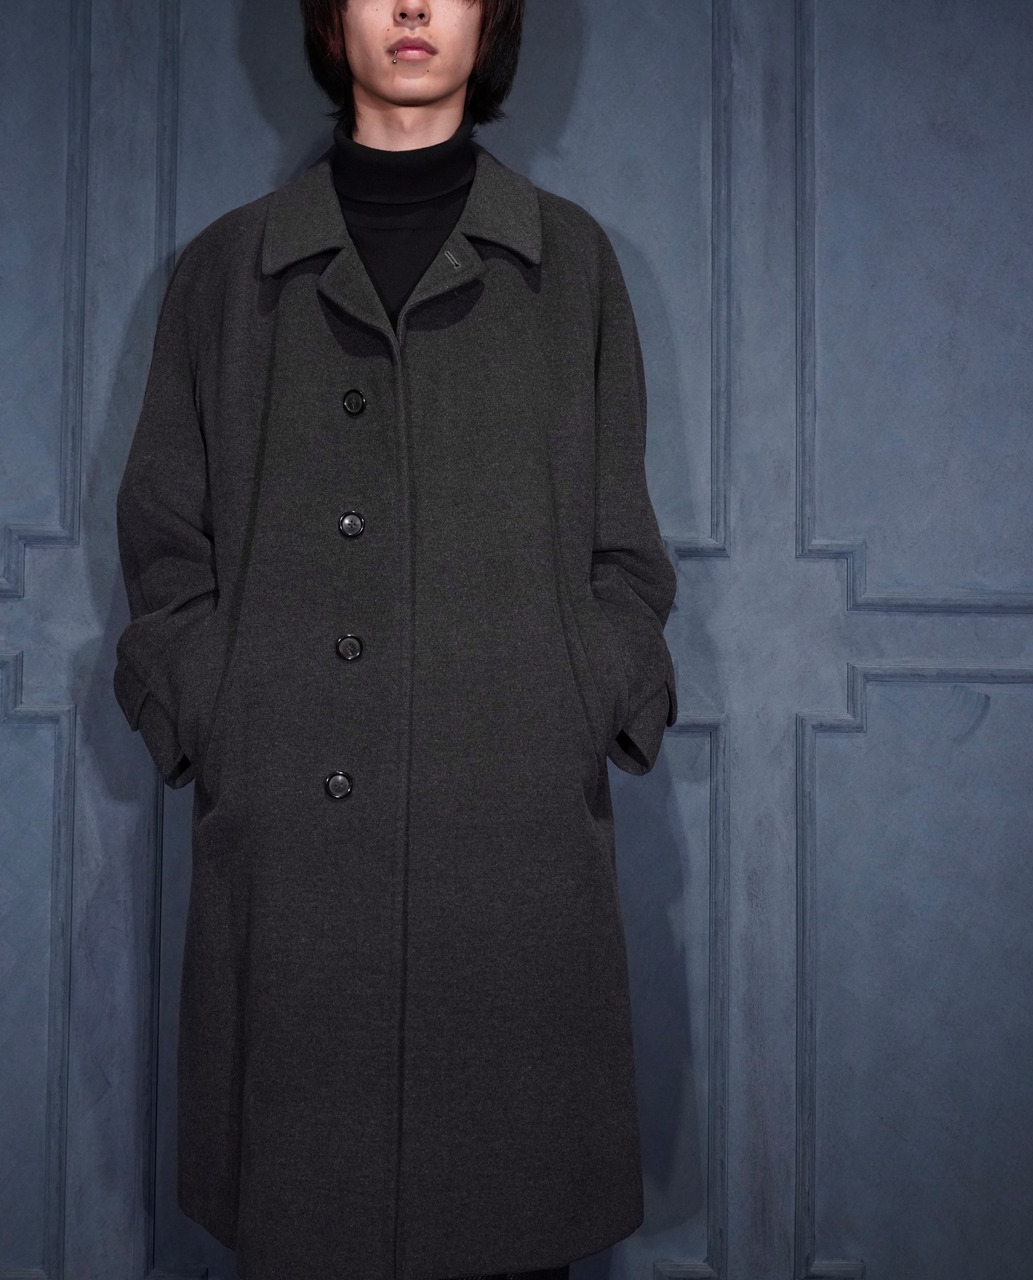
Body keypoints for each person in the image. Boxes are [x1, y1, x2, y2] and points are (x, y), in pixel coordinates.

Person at [112, 1, 679, 1277]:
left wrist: (578, 696)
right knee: (304, 1221)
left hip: (514, 851)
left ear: (492, 20)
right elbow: (162, 547)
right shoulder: (225, 272)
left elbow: (625, 555)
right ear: (330, 18)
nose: (413, 6)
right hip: (291, 866)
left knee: (511, 1231)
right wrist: (219, 708)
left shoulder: (570, 264)